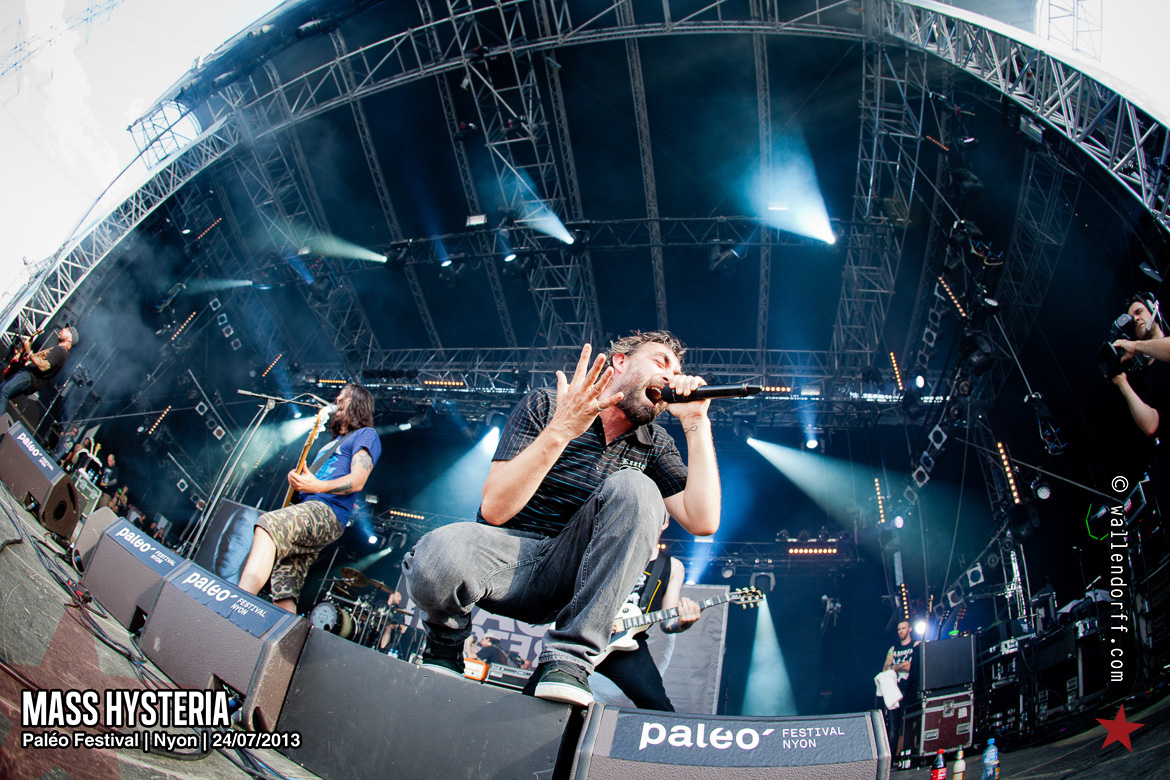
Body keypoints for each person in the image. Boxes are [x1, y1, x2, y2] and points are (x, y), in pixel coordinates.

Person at [403, 331, 720, 706]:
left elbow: (703, 521)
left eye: (677, 372)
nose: (671, 376)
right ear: (621, 362)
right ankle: (445, 645)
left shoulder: (656, 444)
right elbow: (495, 509)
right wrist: (563, 428)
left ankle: (569, 662)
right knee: (437, 553)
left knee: (639, 487)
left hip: (574, 578)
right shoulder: (548, 403)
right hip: (507, 561)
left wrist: (696, 421)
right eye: (660, 362)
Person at [238, 384, 381, 612]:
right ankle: (284, 631)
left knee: (268, 524)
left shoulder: (366, 434)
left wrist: (317, 485)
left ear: (357, 403)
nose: (337, 400)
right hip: (310, 508)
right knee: (285, 583)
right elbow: (313, 480)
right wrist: (299, 481)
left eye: (343, 397)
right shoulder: (331, 443)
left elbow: (358, 480)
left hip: (328, 511)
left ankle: (237, 603)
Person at [593, 518, 701, 711]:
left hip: (626, 644)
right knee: (544, 688)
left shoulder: (671, 567)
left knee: (657, 705)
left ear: (665, 522)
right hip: (586, 631)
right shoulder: (610, 547)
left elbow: (667, 623)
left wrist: (684, 623)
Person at [0, 326, 76, 413]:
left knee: (5, 391)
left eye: (67, 330)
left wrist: (29, 351)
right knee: (1, 391)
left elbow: (44, 366)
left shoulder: (61, 351)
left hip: (30, 377)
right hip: (27, 374)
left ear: (70, 339)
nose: (63, 329)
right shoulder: (58, 350)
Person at [881, 620, 920, 758]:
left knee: (908, 722)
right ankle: (892, 758)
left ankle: (905, 754)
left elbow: (913, 666)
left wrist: (896, 667)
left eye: (903, 628)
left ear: (910, 629)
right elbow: (885, 669)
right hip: (894, 691)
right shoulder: (893, 649)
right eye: (899, 629)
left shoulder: (915, 645)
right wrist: (902, 665)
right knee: (893, 726)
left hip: (909, 689)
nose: (901, 631)